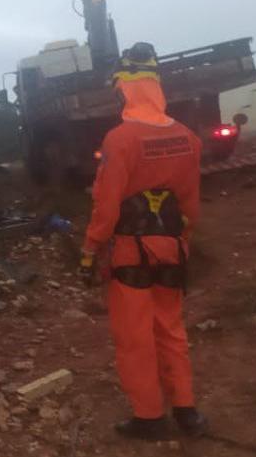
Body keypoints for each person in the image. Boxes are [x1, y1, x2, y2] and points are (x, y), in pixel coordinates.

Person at [80, 42, 209, 440]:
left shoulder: (121, 140)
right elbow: (190, 205)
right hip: (171, 250)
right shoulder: (187, 138)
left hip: (130, 256)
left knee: (136, 338)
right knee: (170, 329)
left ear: (126, 88)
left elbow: (106, 207)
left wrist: (89, 251)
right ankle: (187, 411)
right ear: (156, 86)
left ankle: (150, 417)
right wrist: (181, 241)